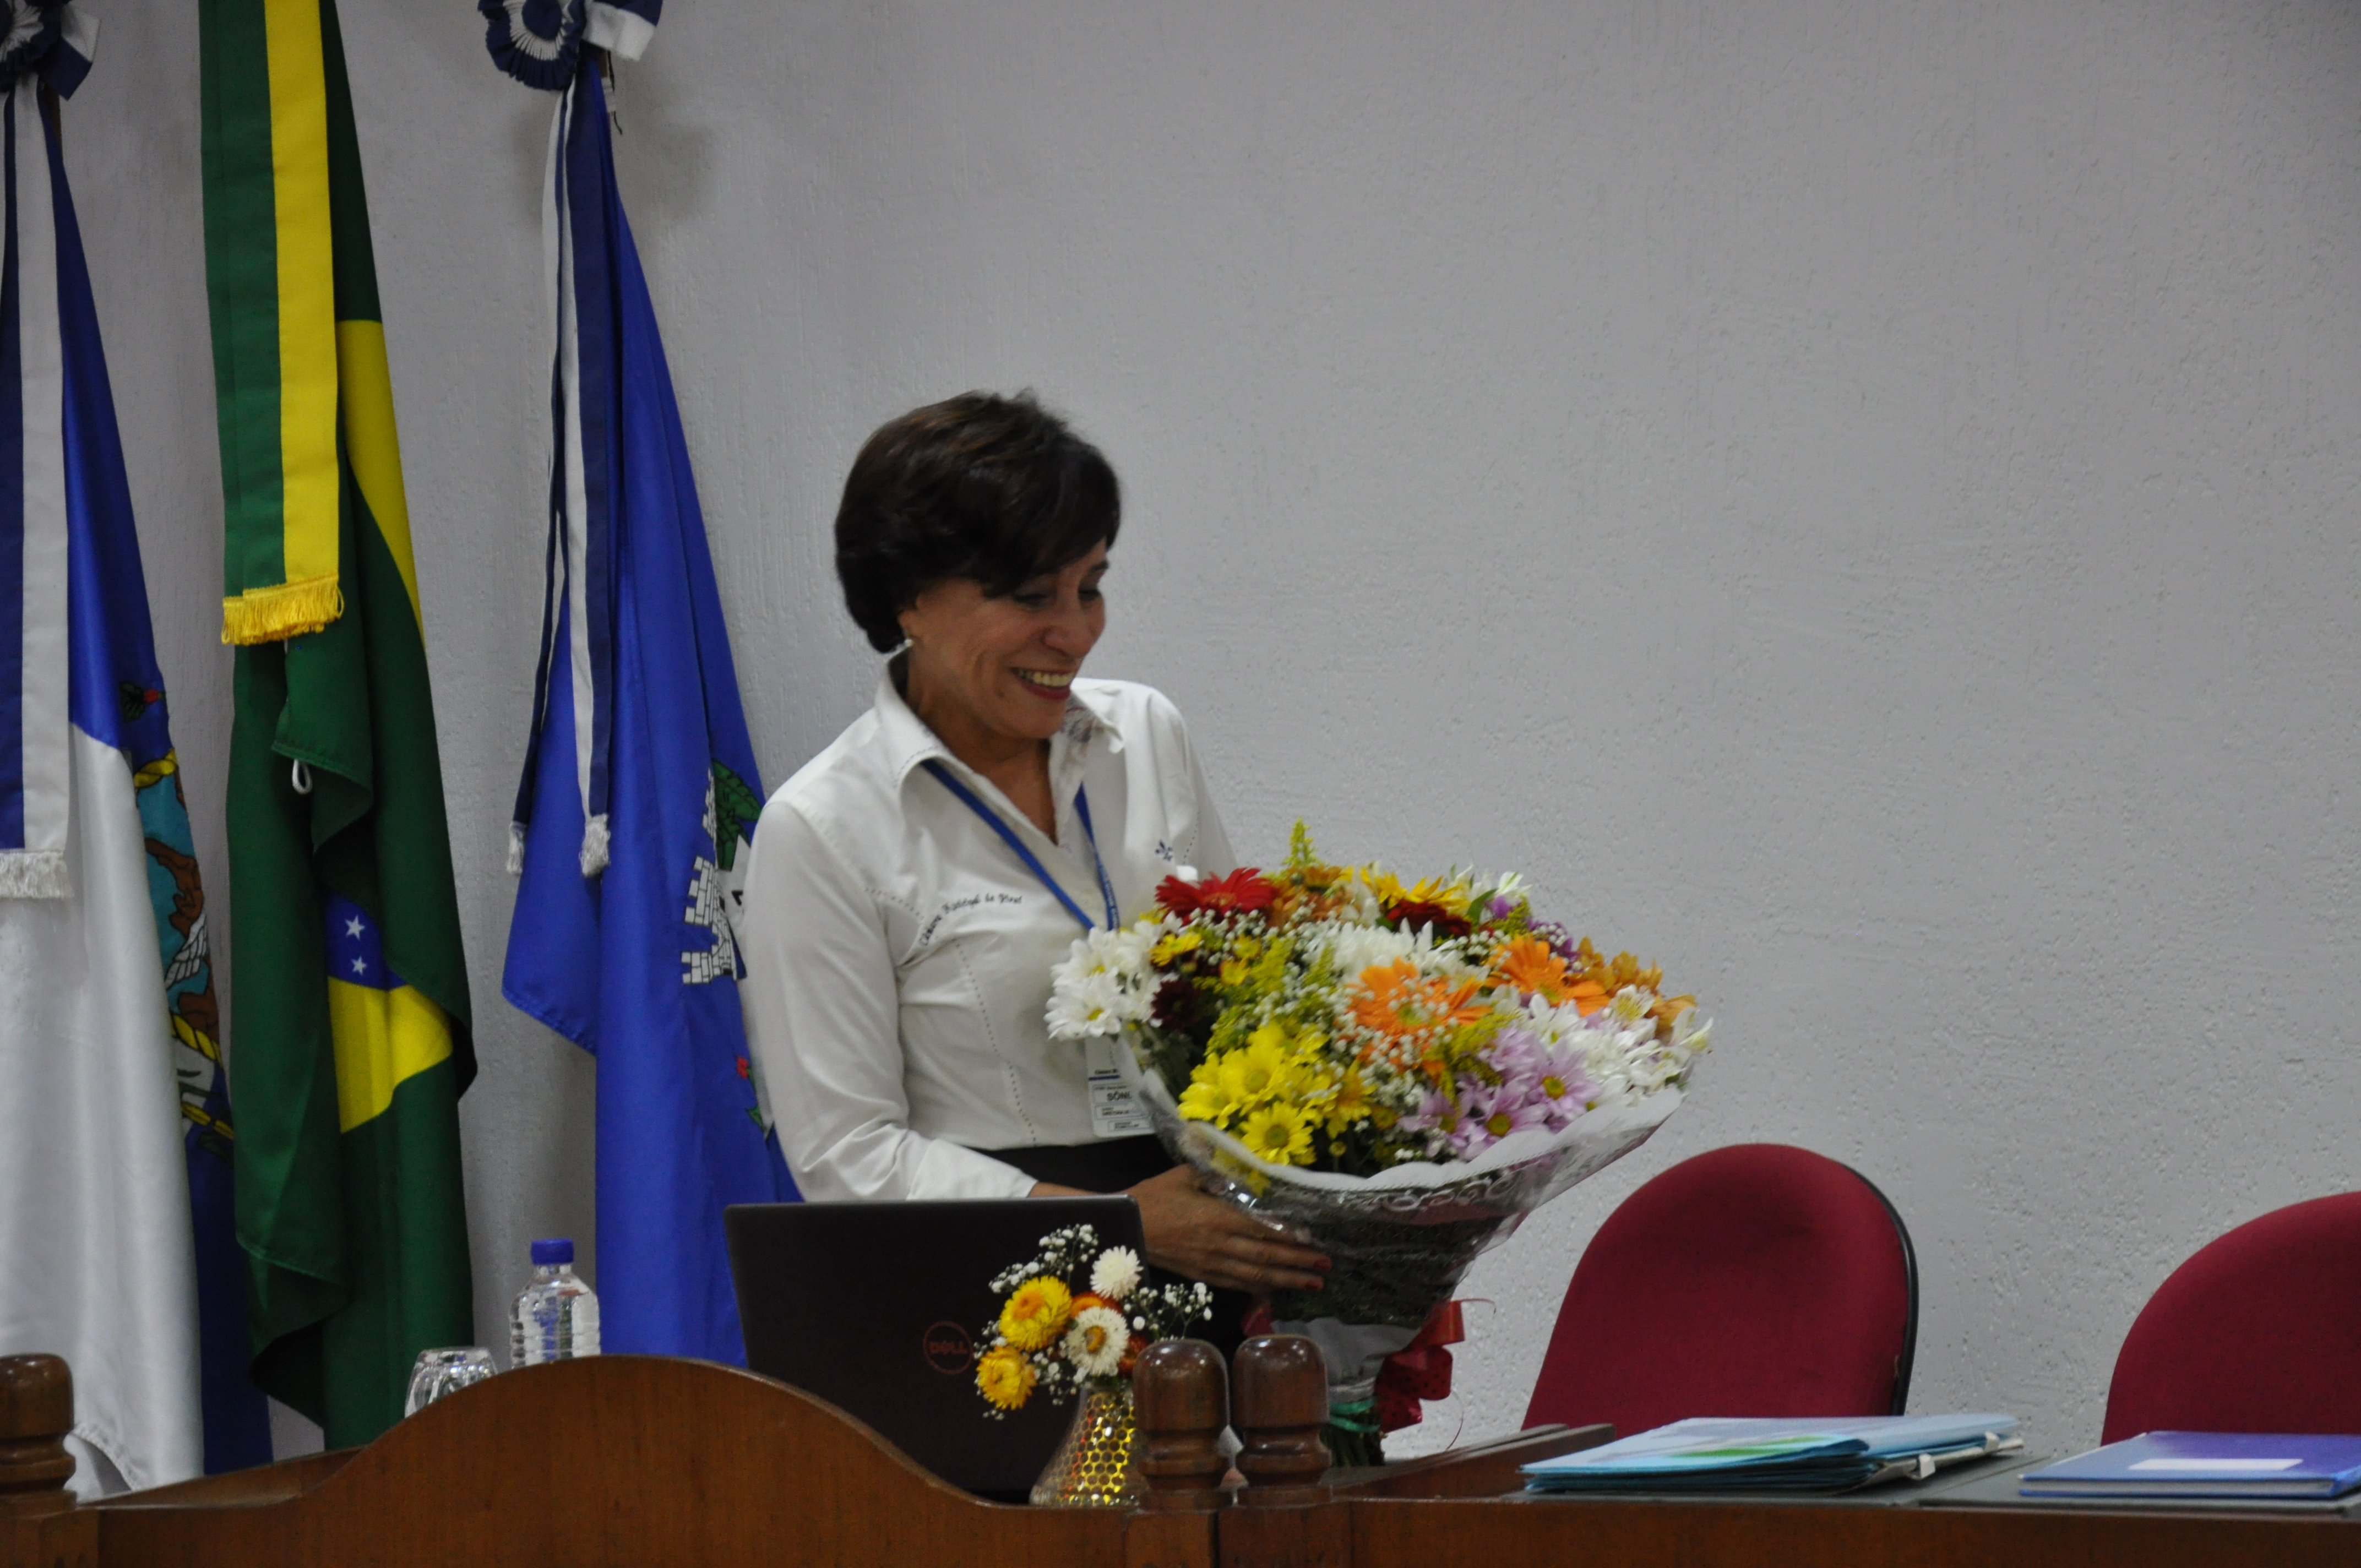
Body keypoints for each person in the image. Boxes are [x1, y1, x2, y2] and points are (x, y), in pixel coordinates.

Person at [737, 391, 1328, 1325]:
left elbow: (1243, 995)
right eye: (1030, 596)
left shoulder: (1147, 734)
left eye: (1090, 585)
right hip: (998, 1298)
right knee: (1076, 1481)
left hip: (1213, 1242)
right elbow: (848, 1158)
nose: (1077, 631)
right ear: (908, 600)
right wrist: (1120, 1225)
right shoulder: (822, 827)